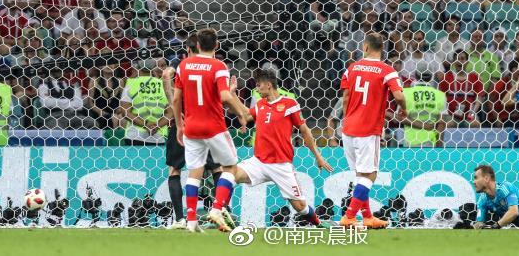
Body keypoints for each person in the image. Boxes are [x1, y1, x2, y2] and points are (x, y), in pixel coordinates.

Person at [172, 28, 251, 232]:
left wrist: (180, 125)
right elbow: (224, 97)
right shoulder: (219, 66)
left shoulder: (183, 65)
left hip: (191, 127)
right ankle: (217, 208)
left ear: (197, 45)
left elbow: (176, 99)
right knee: (230, 168)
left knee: (194, 172)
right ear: (217, 45)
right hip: (214, 127)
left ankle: (191, 220)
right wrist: (240, 113)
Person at [233, 68, 333, 226]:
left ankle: (318, 223)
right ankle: (219, 211)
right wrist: (232, 94)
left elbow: (305, 131)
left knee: (300, 207)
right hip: (259, 162)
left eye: (258, 85)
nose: (256, 89)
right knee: (231, 174)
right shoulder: (260, 105)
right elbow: (245, 115)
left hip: (281, 165)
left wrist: (318, 156)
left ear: (268, 85)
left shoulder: (289, 104)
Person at [338, 32, 408, 229]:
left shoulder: (352, 68)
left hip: (349, 129)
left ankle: (368, 217)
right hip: (368, 130)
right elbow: (398, 96)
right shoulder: (387, 71)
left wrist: (349, 118)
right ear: (382, 49)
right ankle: (349, 216)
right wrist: (403, 109)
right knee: (370, 176)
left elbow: (345, 97)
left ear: (365, 47)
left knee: (360, 176)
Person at [160, 35, 224, 230]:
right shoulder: (213, 65)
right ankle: (222, 212)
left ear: (188, 49)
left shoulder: (182, 65)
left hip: (183, 123)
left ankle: (180, 219)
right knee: (217, 168)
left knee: (175, 169)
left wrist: (175, 107)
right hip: (207, 123)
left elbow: (165, 75)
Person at [119, 59, 171, 145]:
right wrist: (156, 126)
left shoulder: (131, 83)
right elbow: (170, 113)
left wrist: (146, 125)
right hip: (158, 137)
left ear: (136, 66)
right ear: (154, 67)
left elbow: (125, 112)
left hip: (134, 136)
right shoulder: (163, 85)